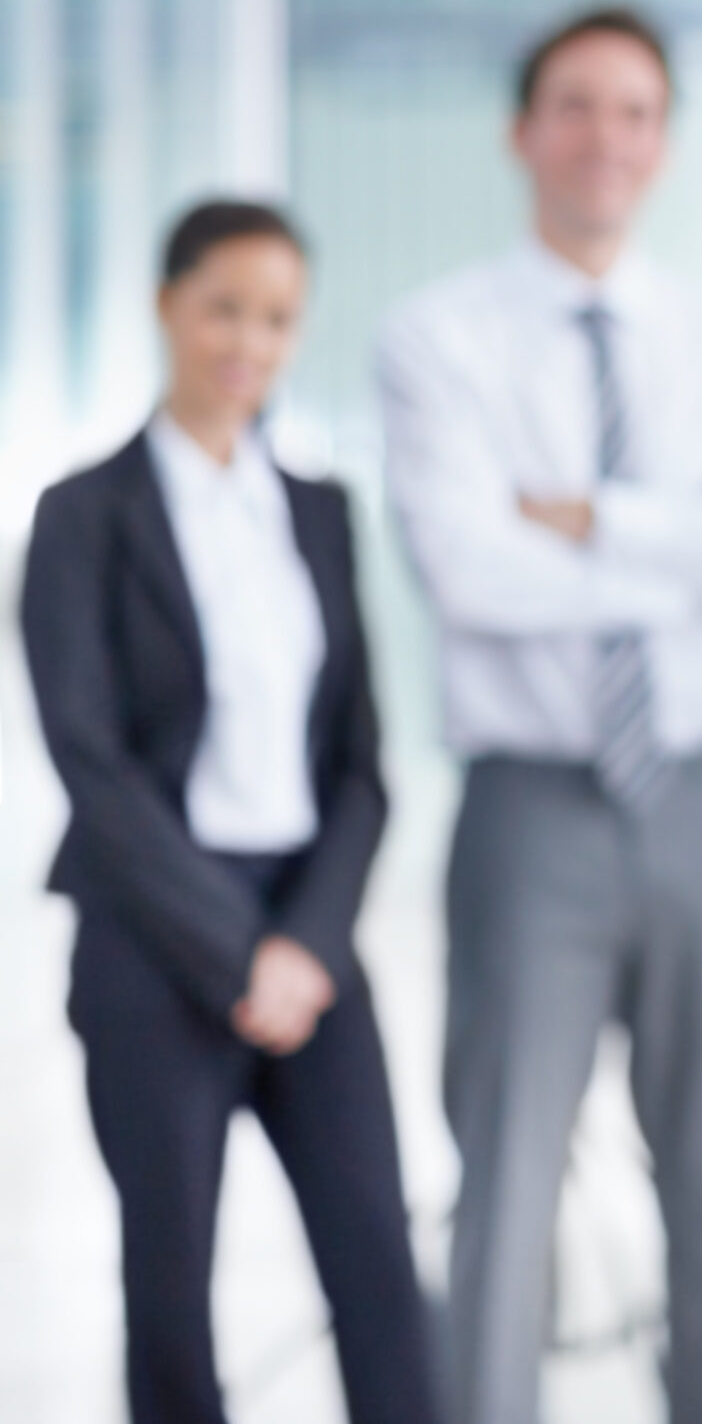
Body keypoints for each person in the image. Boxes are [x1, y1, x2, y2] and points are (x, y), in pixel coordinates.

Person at [378, 6, 702, 1424]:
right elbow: (469, 571)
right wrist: (700, 536)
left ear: (662, 144)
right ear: (523, 133)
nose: (607, 138)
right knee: (508, 1185)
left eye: (635, 111)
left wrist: (593, 520)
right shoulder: (439, 339)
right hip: (530, 809)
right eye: (577, 107)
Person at [20, 200, 438, 1424]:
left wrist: (303, 944)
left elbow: (363, 760)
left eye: (275, 317)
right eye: (223, 308)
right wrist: (233, 947)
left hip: (307, 925)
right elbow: (88, 759)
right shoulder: (82, 513)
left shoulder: (319, 509)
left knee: (375, 1255)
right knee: (170, 1282)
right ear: (167, 305)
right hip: (153, 935)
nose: (247, 341)